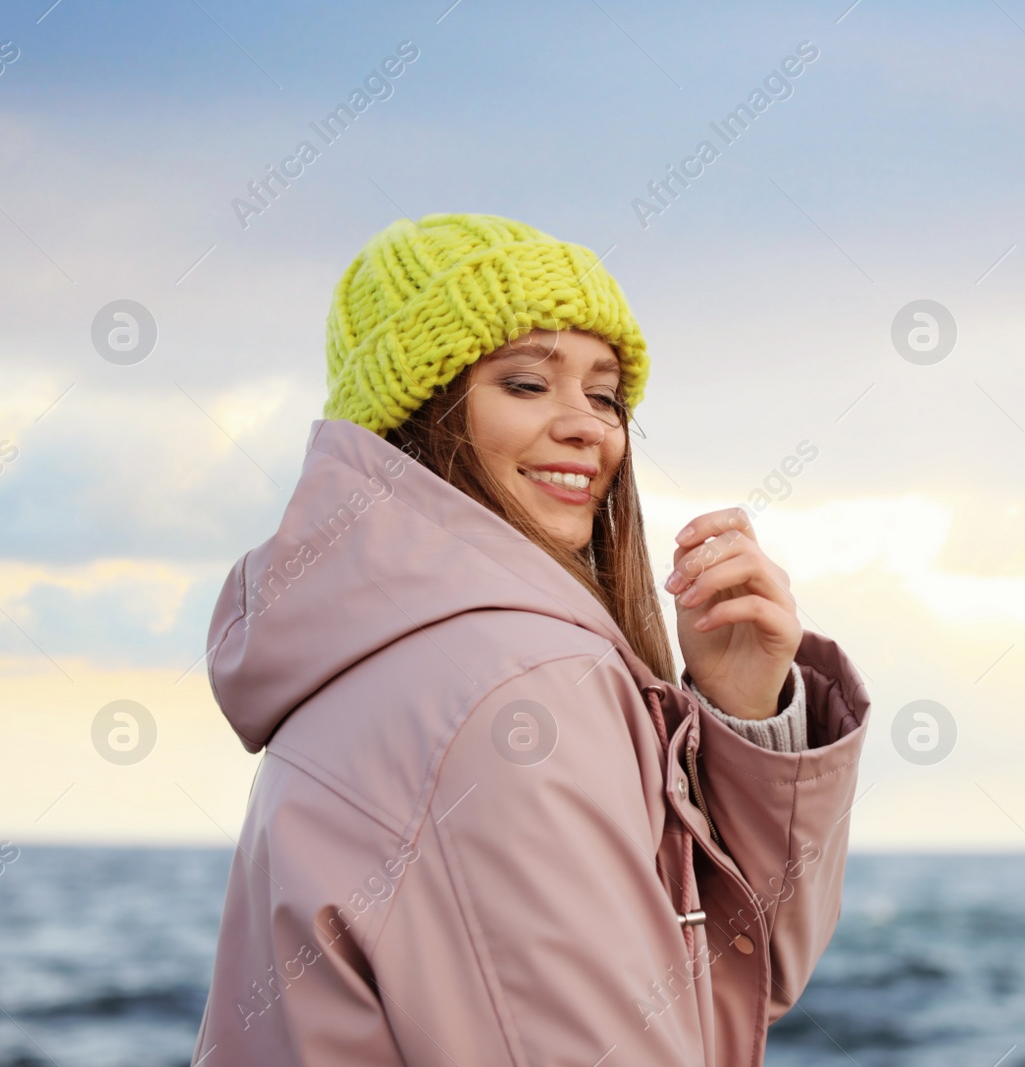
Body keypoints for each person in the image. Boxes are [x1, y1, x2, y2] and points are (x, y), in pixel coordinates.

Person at [191, 213, 870, 1066]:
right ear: (417, 411)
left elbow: (721, 987)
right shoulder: (521, 685)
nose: (588, 425)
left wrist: (742, 719)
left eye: (605, 394)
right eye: (524, 383)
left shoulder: (379, 655)